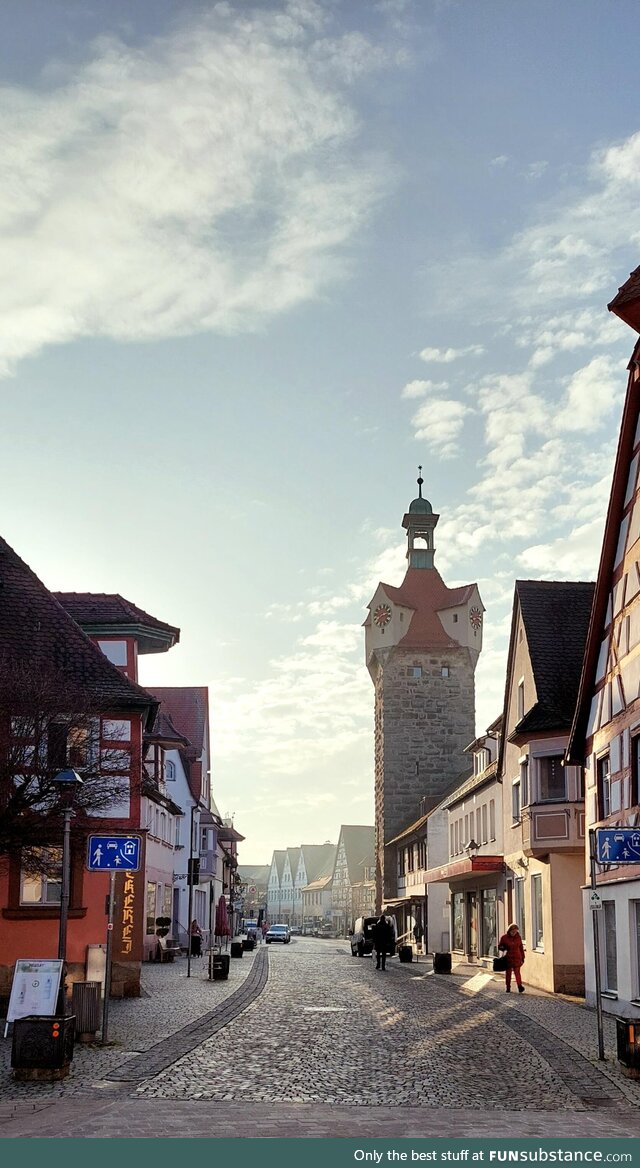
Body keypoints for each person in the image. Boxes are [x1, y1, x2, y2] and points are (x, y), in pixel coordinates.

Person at [498, 922, 525, 993]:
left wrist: (523, 957)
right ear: (509, 930)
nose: (514, 933)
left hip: (517, 957)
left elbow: (521, 947)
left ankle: (520, 986)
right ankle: (508, 987)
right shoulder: (504, 938)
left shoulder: (518, 937)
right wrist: (504, 947)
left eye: (516, 931)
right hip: (508, 957)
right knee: (508, 973)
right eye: (513, 931)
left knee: (517, 973)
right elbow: (500, 946)